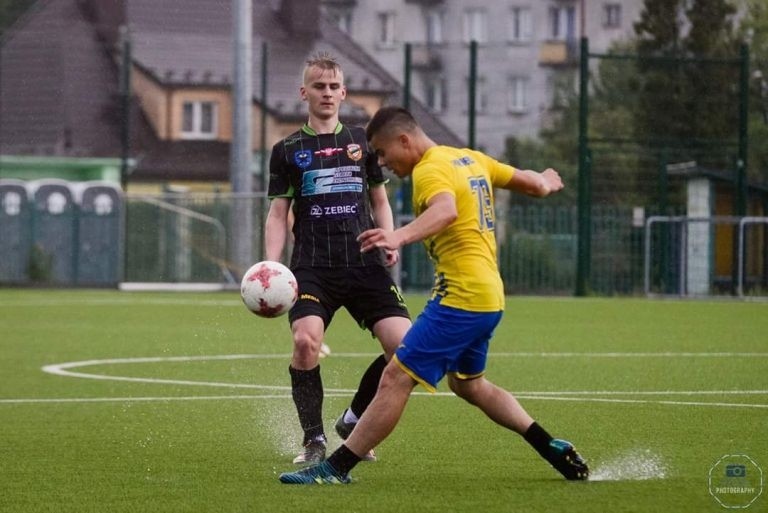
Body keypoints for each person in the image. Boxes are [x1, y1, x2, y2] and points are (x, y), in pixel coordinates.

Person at [278, 106, 589, 484]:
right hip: (489, 298)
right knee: (468, 384)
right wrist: (546, 180)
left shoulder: (429, 169)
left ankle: (334, 469)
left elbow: (446, 211)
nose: (382, 162)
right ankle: (549, 444)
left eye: (382, 152)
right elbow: (532, 183)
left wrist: (397, 236)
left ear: (404, 140)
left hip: (460, 298)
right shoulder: (470, 159)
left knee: (395, 377)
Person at [264, 54, 412, 465]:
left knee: (405, 348)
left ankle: (352, 420)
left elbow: (380, 200)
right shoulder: (287, 149)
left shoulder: (364, 142)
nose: (326, 93)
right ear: (304, 93)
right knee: (305, 341)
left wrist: (392, 237)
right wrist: (270, 266)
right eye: (318, 86)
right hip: (312, 267)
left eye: (333, 87)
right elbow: (278, 214)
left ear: (344, 93)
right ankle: (313, 440)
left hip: (365, 263)